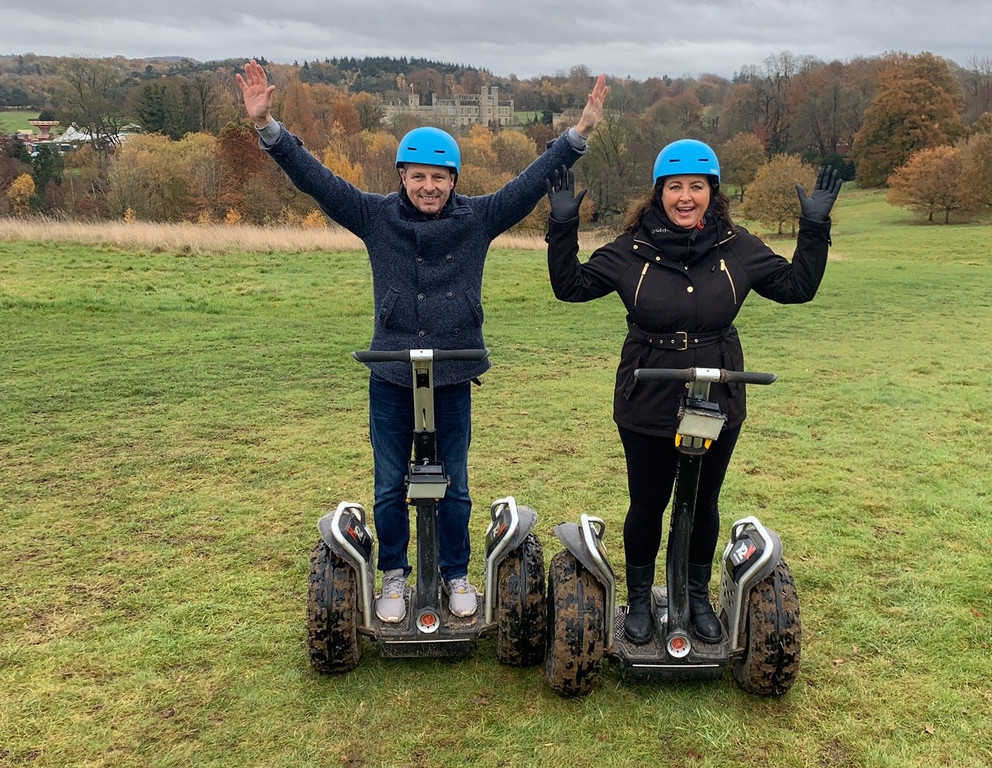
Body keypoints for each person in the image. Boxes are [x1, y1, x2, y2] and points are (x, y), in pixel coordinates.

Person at [237, 59, 607, 622]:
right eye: (417, 176)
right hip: (390, 374)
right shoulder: (373, 215)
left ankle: (456, 574)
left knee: (453, 486)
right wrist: (269, 130)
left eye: (439, 177)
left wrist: (577, 136)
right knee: (390, 486)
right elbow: (316, 179)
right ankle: (393, 575)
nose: (428, 186)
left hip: (453, 374)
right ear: (402, 178)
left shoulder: (478, 219)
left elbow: (531, 182)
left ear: (454, 180)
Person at [545, 140, 841, 644]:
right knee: (648, 501)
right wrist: (562, 226)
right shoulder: (630, 249)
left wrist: (814, 229)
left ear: (713, 192)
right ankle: (639, 600)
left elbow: (797, 287)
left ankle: (697, 596)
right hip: (648, 395)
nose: (686, 197)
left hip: (718, 395)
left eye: (696, 187)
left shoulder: (737, 247)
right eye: (675, 187)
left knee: (703, 501)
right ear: (659, 193)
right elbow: (570, 285)